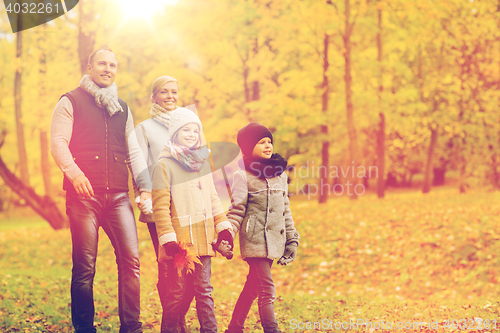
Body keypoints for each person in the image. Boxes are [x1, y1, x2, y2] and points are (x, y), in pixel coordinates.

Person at [50, 48, 149, 333]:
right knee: (85, 269)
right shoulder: (70, 101)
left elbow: (133, 152)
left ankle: (131, 327)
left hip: (119, 197)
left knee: (131, 262)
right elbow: (58, 143)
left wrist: (142, 187)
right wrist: (75, 174)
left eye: (113, 65)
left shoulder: (123, 107)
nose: (108, 69)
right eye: (103, 64)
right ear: (90, 66)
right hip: (84, 199)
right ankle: (84, 329)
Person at [151, 108, 233, 333]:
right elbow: (160, 207)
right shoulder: (164, 166)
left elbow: (214, 198)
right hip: (180, 245)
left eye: (195, 130)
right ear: (175, 132)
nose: (191, 134)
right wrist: (168, 239)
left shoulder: (203, 164)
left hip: (204, 239)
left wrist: (223, 227)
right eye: (186, 129)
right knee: (176, 293)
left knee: (204, 290)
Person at [224, 122, 300, 333]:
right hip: (254, 240)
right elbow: (236, 210)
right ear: (249, 148)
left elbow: (285, 210)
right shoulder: (242, 177)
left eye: (269, 141)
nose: (268, 146)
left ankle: (234, 328)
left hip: (275, 240)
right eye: (261, 142)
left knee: (252, 288)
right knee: (266, 290)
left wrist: (292, 239)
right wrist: (227, 233)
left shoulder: (280, 175)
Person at [132, 76, 190, 332]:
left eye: (174, 91)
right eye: (164, 92)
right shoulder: (144, 128)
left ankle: (177, 318)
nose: (170, 96)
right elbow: (138, 165)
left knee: (190, 270)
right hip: (160, 207)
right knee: (169, 267)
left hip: (187, 206)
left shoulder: (188, 122)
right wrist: (143, 194)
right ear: (153, 97)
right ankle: (174, 325)